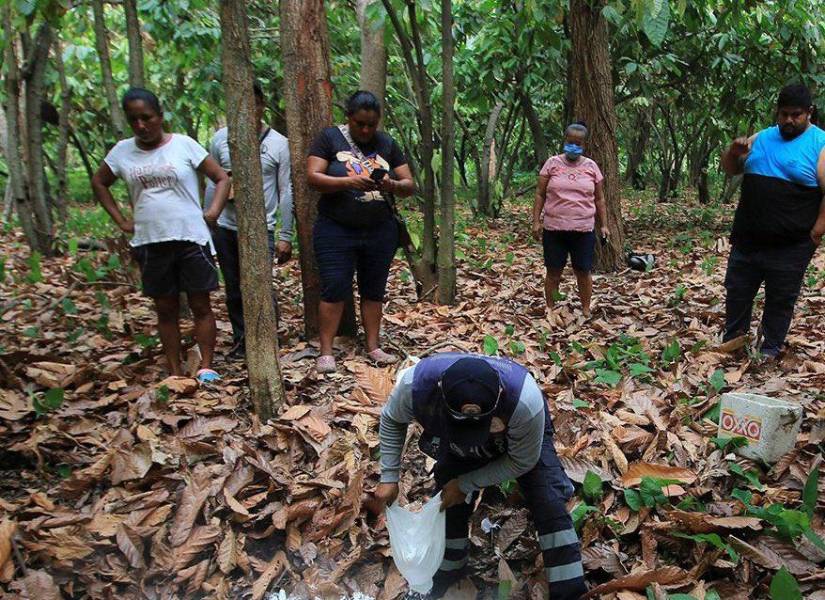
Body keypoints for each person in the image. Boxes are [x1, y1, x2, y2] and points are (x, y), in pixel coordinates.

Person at [374, 353, 585, 600]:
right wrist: (389, 476)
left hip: (516, 440)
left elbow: (522, 460)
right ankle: (448, 570)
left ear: (499, 399)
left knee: (547, 498)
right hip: (452, 439)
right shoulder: (415, 386)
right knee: (448, 496)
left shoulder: (523, 401)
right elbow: (391, 418)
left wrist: (466, 483)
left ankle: (569, 590)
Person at [91, 88, 230, 383]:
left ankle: (206, 366)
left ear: (160, 116)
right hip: (150, 241)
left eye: (147, 118)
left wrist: (213, 212)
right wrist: (121, 221)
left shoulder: (183, 145)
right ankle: (175, 371)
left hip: (190, 237)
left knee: (200, 304)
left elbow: (221, 177)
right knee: (165, 308)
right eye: (134, 120)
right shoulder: (122, 151)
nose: (141, 125)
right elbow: (100, 182)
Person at [307, 90, 415, 374]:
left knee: (374, 288)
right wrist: (350, 182)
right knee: (334, 287)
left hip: (379, 230)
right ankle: (326, 351)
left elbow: (409, 184)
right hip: (335, 229)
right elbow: (313, 177)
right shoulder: (329, 138)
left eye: (371, 124)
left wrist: (391, 184)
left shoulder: (387, 143)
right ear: (349, 119)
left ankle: (373, 345)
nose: (366, 129)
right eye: (360, 124)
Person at [720, 83, 825, 359]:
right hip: (748, 238)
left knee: (780, 299)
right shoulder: (762, 138)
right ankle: (734, 344)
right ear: (776, 113)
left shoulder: (820, 143)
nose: (789, 120)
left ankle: (768, 349)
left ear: (809, 113)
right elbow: (732, 170)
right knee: (738, 292)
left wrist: (817, 230)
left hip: (791, 244)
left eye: (796, 115)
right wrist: (733, 153)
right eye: (784, 114)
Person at [205, 81, 295, 360]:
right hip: (226, 226)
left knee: (260, 285)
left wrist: (285, 234)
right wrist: (209, 220)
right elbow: (213, 183)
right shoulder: (221, 139)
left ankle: (268, 340)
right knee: (233, 287)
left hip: (261, 227)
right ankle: (242, 340)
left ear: (261, 106)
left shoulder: (278, 144)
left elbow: (286, 190)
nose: (247, 112)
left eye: (253, 105)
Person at [532, 122, 609, 318]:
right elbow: (540, 194)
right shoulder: (552, 164)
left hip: (583, 229)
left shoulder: (591, 167)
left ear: (584, 144)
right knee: (553, 271)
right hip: (554, 229)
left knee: (583, 271)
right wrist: (536, 221)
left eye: (578, 143)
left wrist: (604, 225)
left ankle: (585, 309)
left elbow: (599, 199)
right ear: (564, 141)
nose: (573, 146)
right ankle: (550, 308)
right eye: (570, 142)